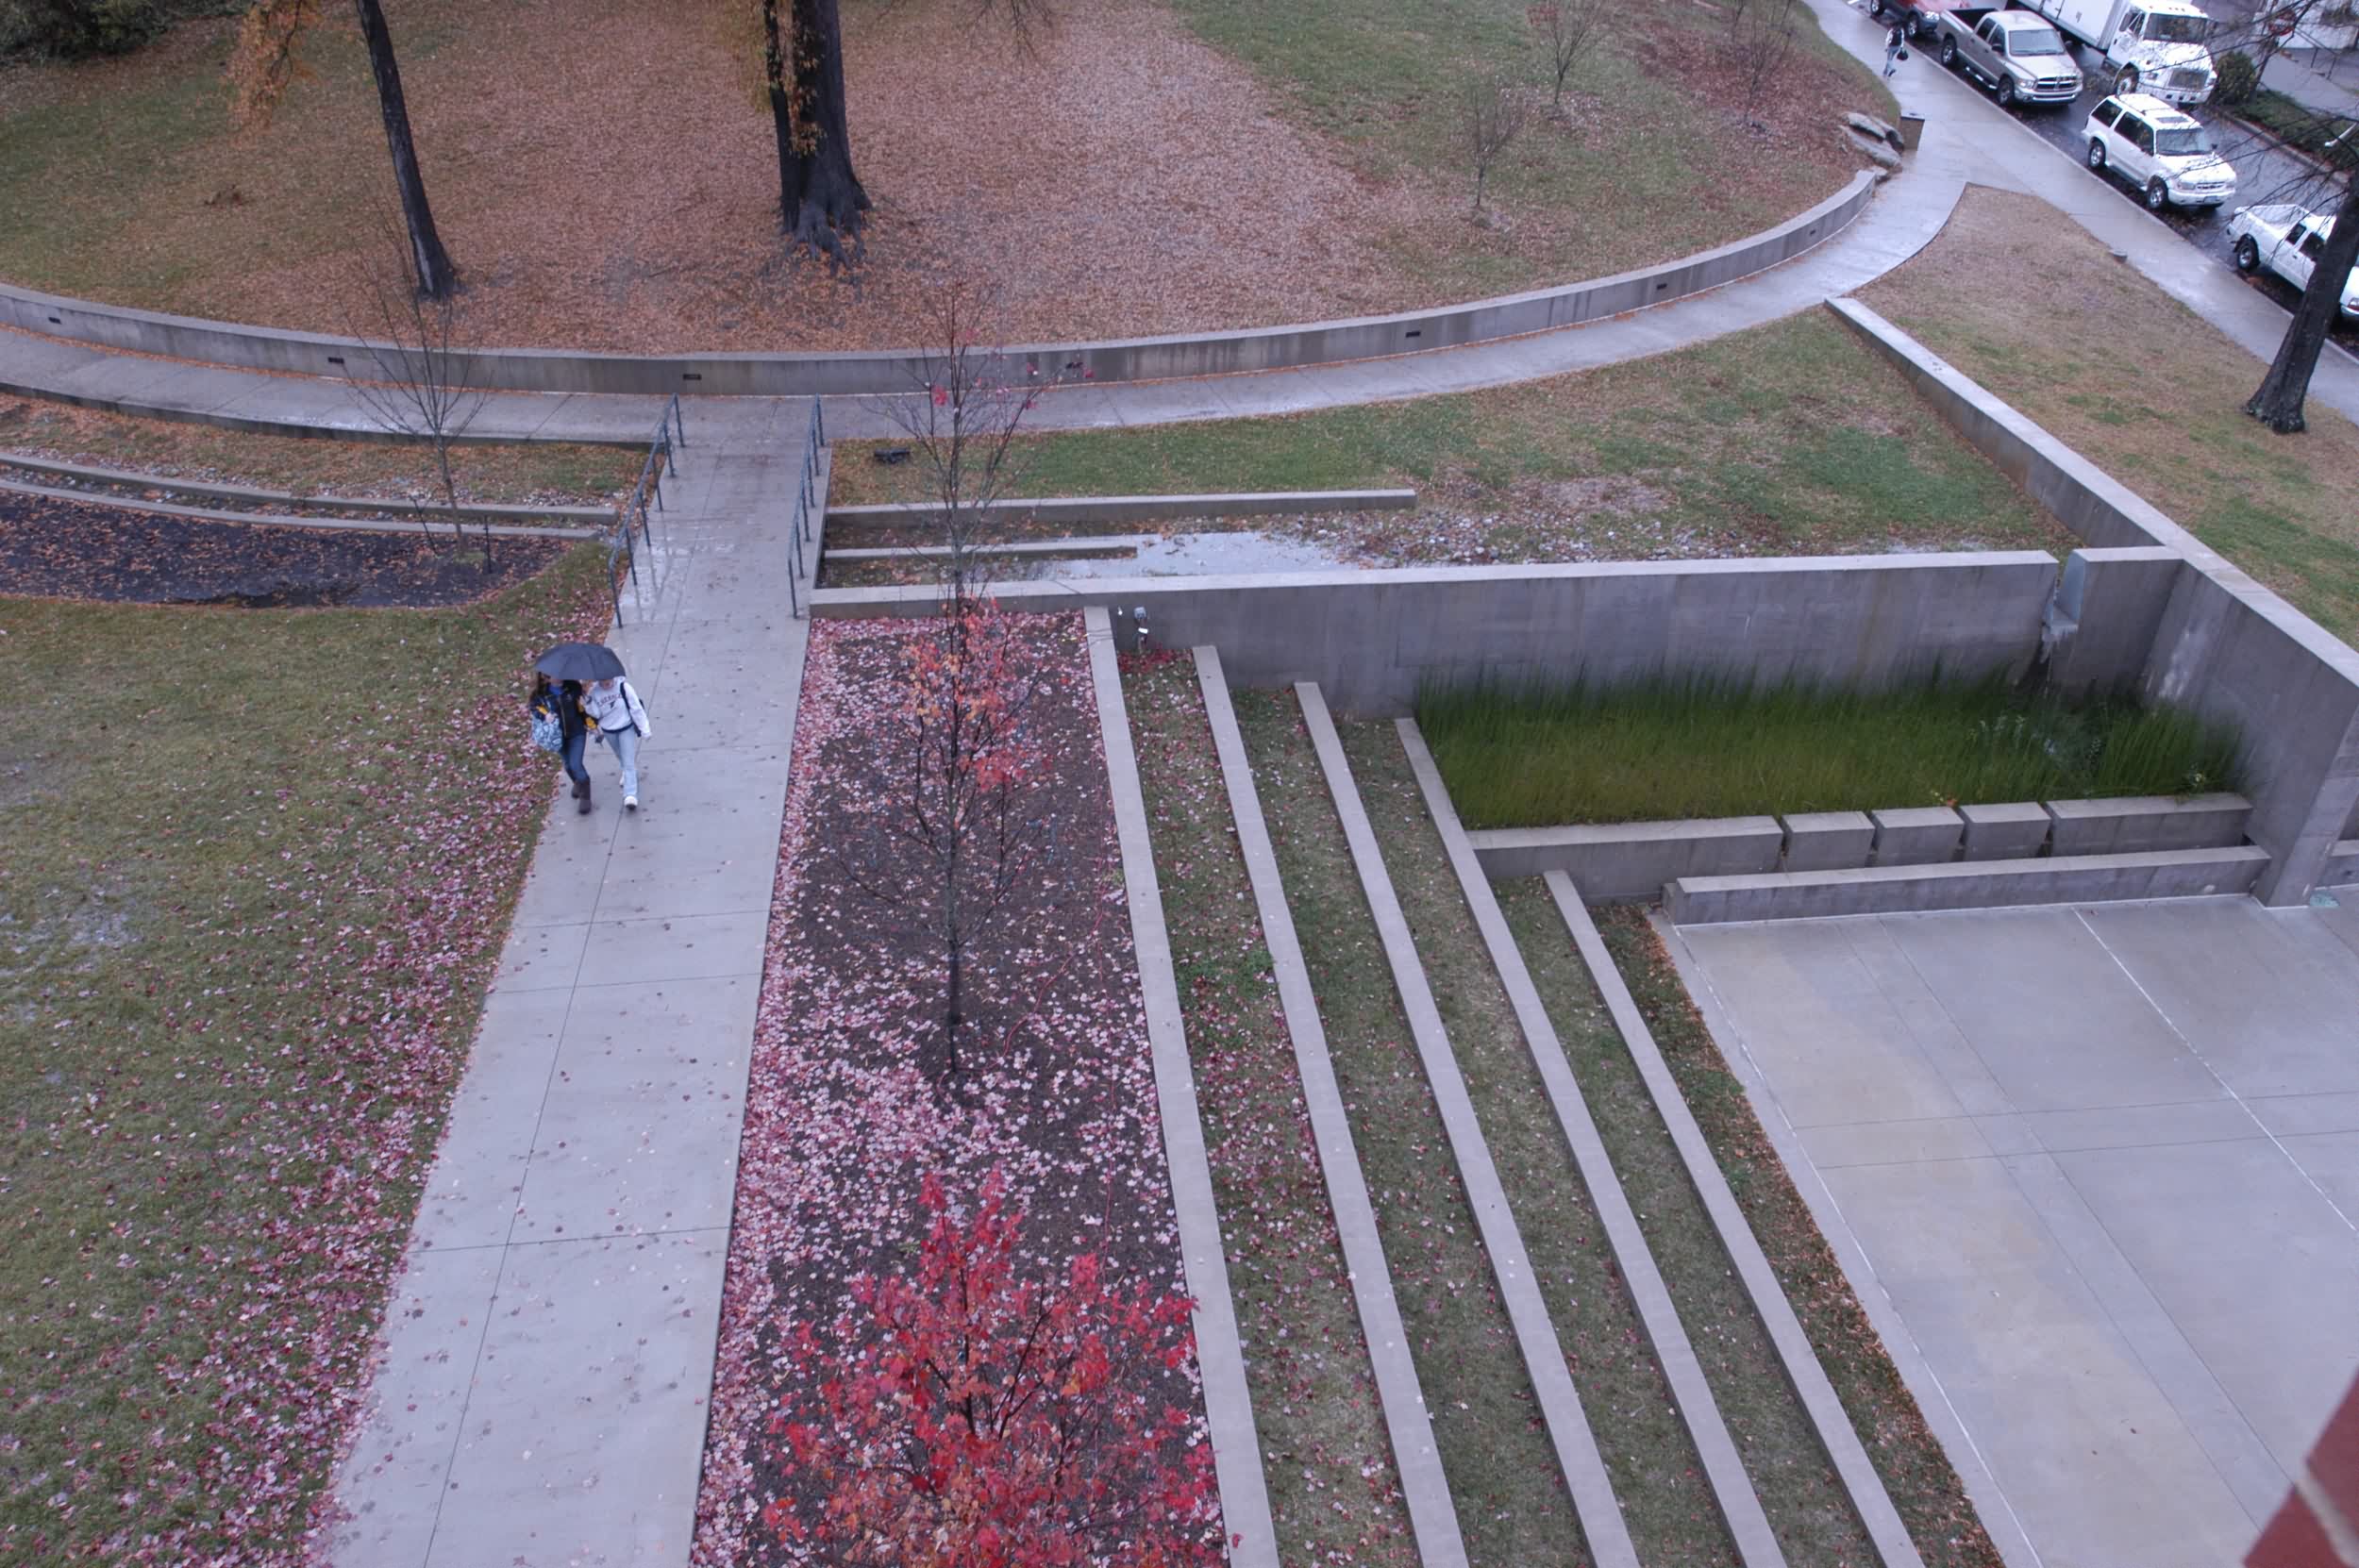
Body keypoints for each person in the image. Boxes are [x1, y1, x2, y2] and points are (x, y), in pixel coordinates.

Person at [581, 674, 653, 811]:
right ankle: (626, 772)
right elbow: (596, 714)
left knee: (628, 760)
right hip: (609, 730)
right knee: (621, 755)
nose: (607, 682)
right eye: (603, 680)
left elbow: (636, 708)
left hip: (626, 728)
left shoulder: (624, 687)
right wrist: (588, 703)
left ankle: (630, 795)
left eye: (608, 679)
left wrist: (645, 728)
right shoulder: (595, 692)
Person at [531, 673, 593, 814]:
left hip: (577, 733)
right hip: (558, 736)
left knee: (576, 764)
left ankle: (585, 797)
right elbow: (534, 708)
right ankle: (578, 782)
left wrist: (592, 724)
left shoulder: (573, 687)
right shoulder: (541, 695)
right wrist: (545, 715)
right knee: (568, 764)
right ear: (547, 677)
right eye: (555, 675)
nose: (560, 677)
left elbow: (582, 709)